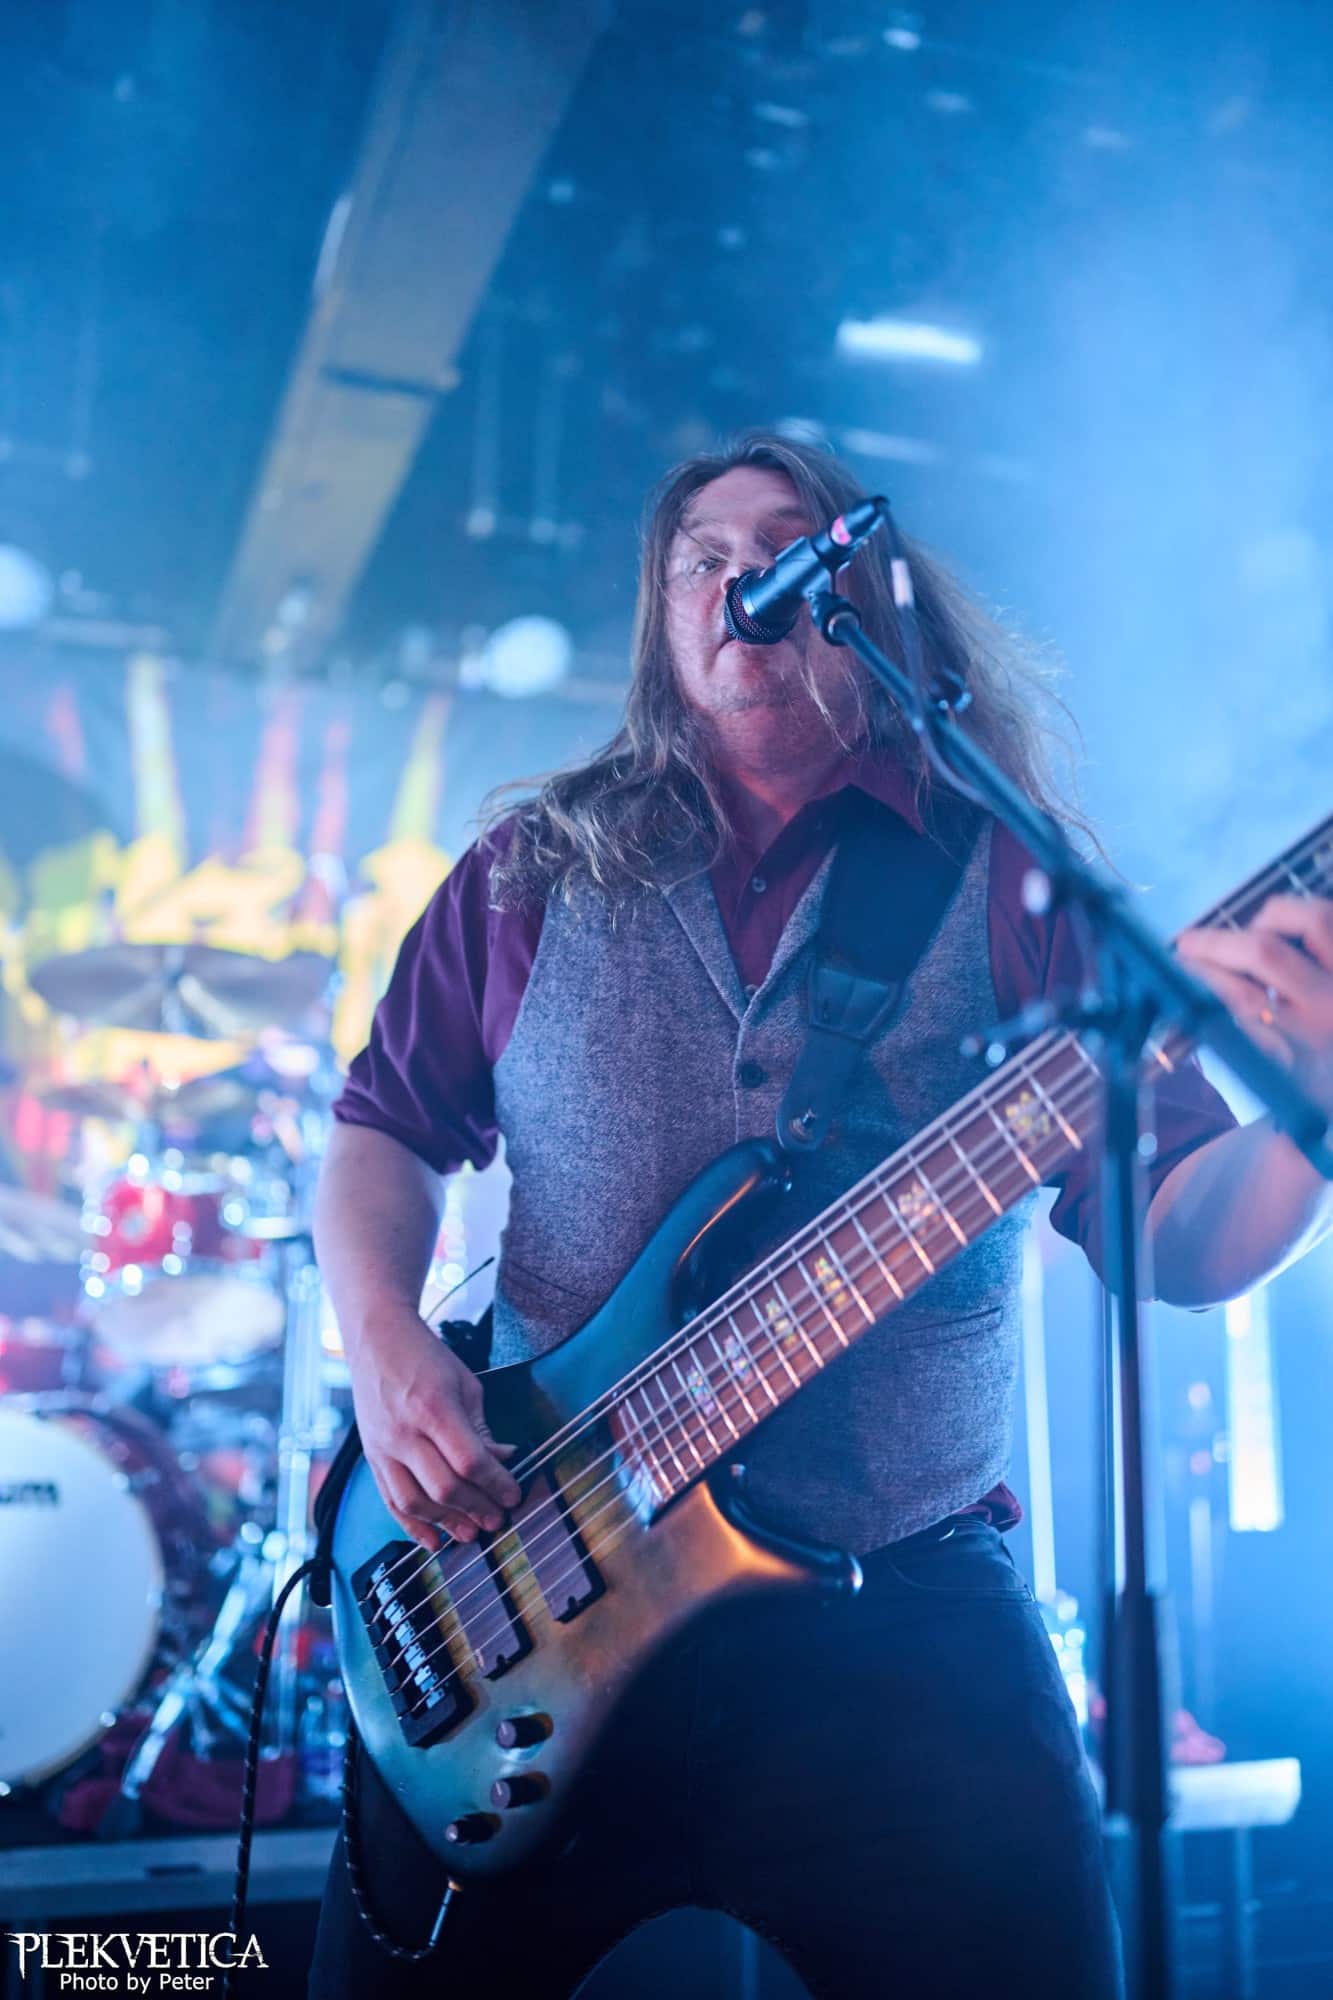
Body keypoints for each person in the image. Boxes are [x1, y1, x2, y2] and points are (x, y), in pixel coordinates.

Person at [308, 430, 1332, 1998]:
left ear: (864, 596)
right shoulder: (529, 871)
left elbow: (1174, 1242)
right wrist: (387, 1347)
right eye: (701, 560)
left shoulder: (1015, 882)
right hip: (520, 1585)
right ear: (664, 615)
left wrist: (1311, 1126)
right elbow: (382, 1125)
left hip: (899, 1619)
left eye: (781, 546)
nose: (743, 582)